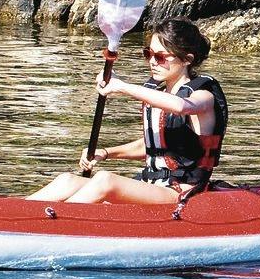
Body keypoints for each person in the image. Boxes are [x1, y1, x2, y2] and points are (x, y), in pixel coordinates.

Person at [30, 17, 229, 205]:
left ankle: (52, 223)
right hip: (151, 185)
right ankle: (11, 215)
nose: (152, 61)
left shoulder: (204, 95)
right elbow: (155, 146)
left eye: (160, 57)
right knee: (67, 180)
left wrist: (121, 87)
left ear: (186, 59)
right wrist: (107, 153)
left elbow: (182, 106)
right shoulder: (159, 91)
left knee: (106, 180)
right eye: (148, 54)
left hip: (182, 192)